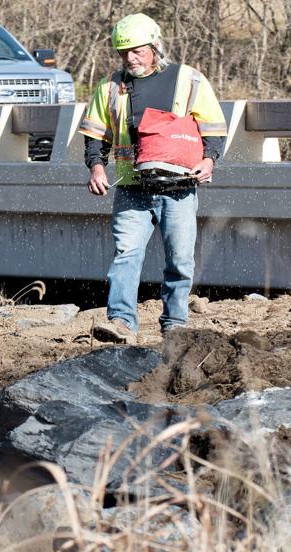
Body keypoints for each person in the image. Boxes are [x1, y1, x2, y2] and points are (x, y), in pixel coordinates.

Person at [78, 13, 227, 343]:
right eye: (123, 52)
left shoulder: (188, 79)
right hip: (132, 189)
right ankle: (121, 323)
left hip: (180, 187)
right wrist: (97, 168)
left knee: (180, 260)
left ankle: (175, 323)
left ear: (155, 46)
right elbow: (94, 135)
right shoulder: (110, 87)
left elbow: (214, 129)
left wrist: (209, 160)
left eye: (137, 51)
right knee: (126, 255)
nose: (130, 58)